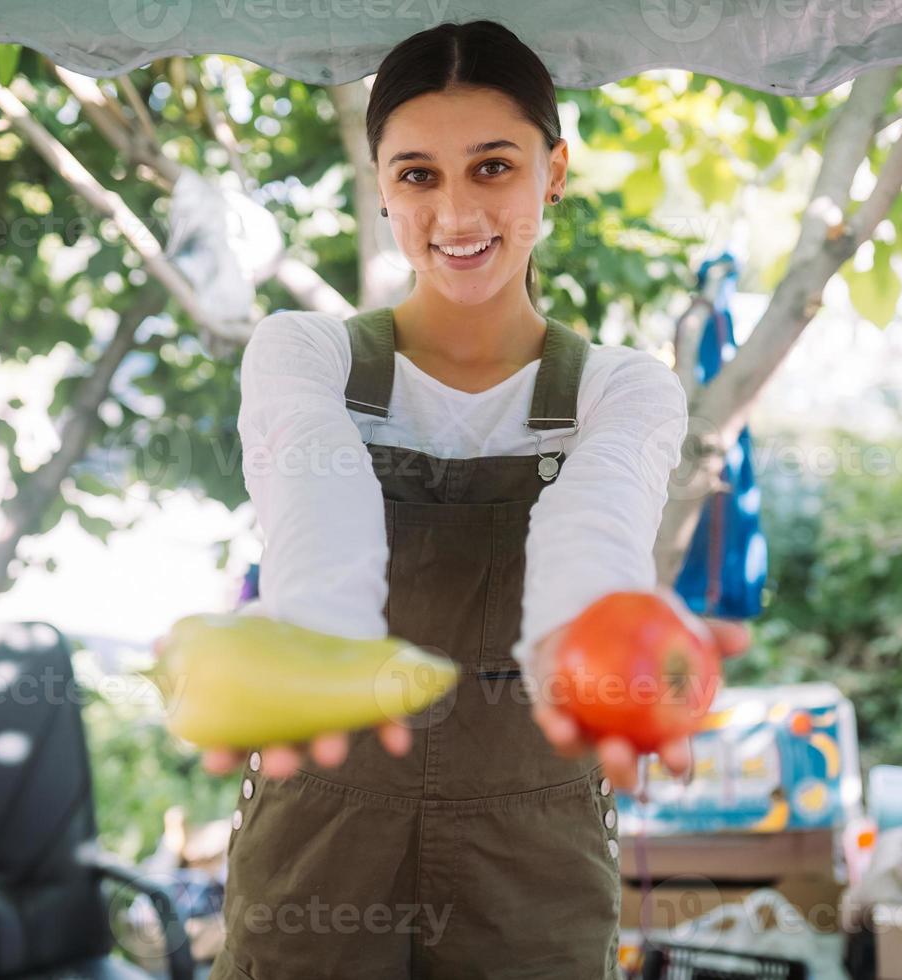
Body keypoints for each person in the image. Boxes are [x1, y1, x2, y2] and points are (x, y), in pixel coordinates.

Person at [200, 19, 750, 979]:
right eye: (417, 174)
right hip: (318, 826)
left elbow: (595, 530)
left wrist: (584, 657)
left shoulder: (619, 388)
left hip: (533, 843)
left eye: (492, 166)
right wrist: (321, 651)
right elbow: (311, 499)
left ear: (555, 171)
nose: (455, 214)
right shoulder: (306, 355)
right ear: (381, 185)